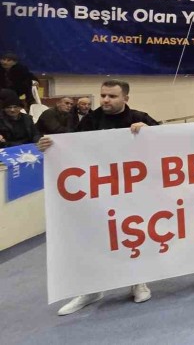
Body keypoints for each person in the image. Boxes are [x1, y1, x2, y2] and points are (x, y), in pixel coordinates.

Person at [37, 79, 157, 315]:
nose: (105, 100)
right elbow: (70, 147)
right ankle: (91, 289)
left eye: (112, 96)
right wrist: (49, 146)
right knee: (93, 238)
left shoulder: (139, 117)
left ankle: (138, 281)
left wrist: (150, 132)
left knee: (133, 236)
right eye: (103, 95)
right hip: (99, 191)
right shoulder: (90, 120)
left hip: (133, 191)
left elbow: (170, 142)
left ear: (125, 98)